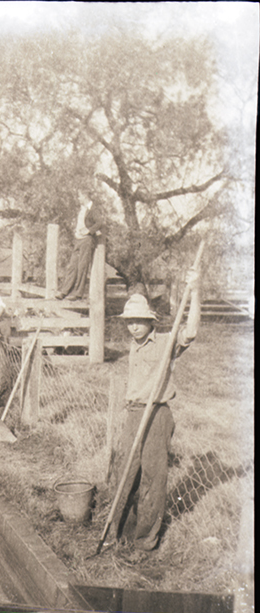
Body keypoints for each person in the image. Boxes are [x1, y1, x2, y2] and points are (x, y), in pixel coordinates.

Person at [108, 272, 201, 560]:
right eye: (129, 322)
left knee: (153, 478)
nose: (134, 326)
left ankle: (145, 543)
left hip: (157, 414)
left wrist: (195, 290)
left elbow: (192, 331)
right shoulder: (134, 346)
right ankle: (119, 533)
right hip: (134, 413)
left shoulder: (164, 342)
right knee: (124, 473)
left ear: (150, 321)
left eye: (139, 321)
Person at [56, 190, 105, 300]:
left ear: (85, 196)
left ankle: (78, 294)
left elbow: (100, 222)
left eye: (79, 196)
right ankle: (64, 292)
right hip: (78, 239)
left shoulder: (93, 209)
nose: (78, 199)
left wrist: (89, 231)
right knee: (72, 266)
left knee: (82, 266)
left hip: (86, 240)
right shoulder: (83, 209)